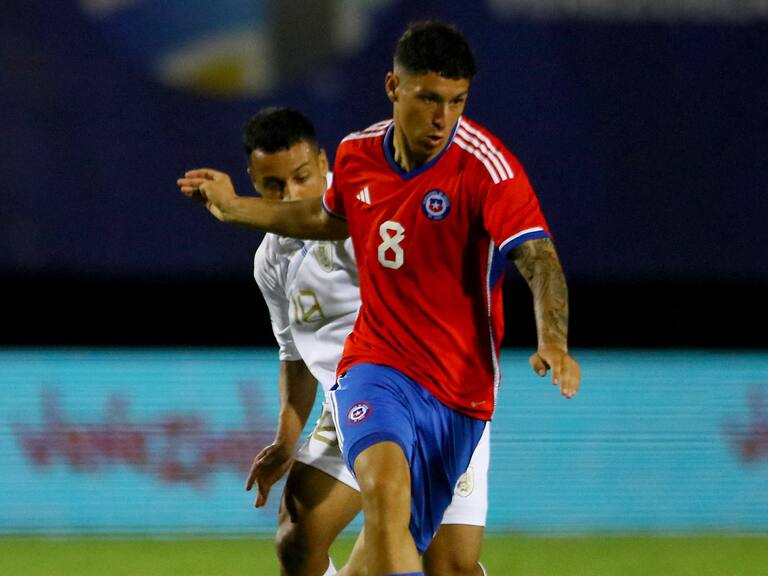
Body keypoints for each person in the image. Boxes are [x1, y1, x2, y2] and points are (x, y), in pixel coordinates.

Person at [178, 20, 581, 576]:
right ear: (394, 88)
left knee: (446, 565)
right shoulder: (358, 154)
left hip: (457, 386)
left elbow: (537, 258)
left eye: (456, 101)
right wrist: (234, 208)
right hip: (376, 367)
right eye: (428, 99)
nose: (442, 118)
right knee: (378, 498)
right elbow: (325, 218)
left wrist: (553, 341)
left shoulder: (486, 166)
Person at [240, 106, 491, 576]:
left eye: (300, 177)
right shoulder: (271, 260)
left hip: (432, 396)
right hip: (350, 409)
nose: (289, 195)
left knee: (449, 567)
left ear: (322, 163)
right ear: (253, 181)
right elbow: (293, 354)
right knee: (298, 538)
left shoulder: (367, 215)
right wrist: (286, 438)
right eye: (272, 185)